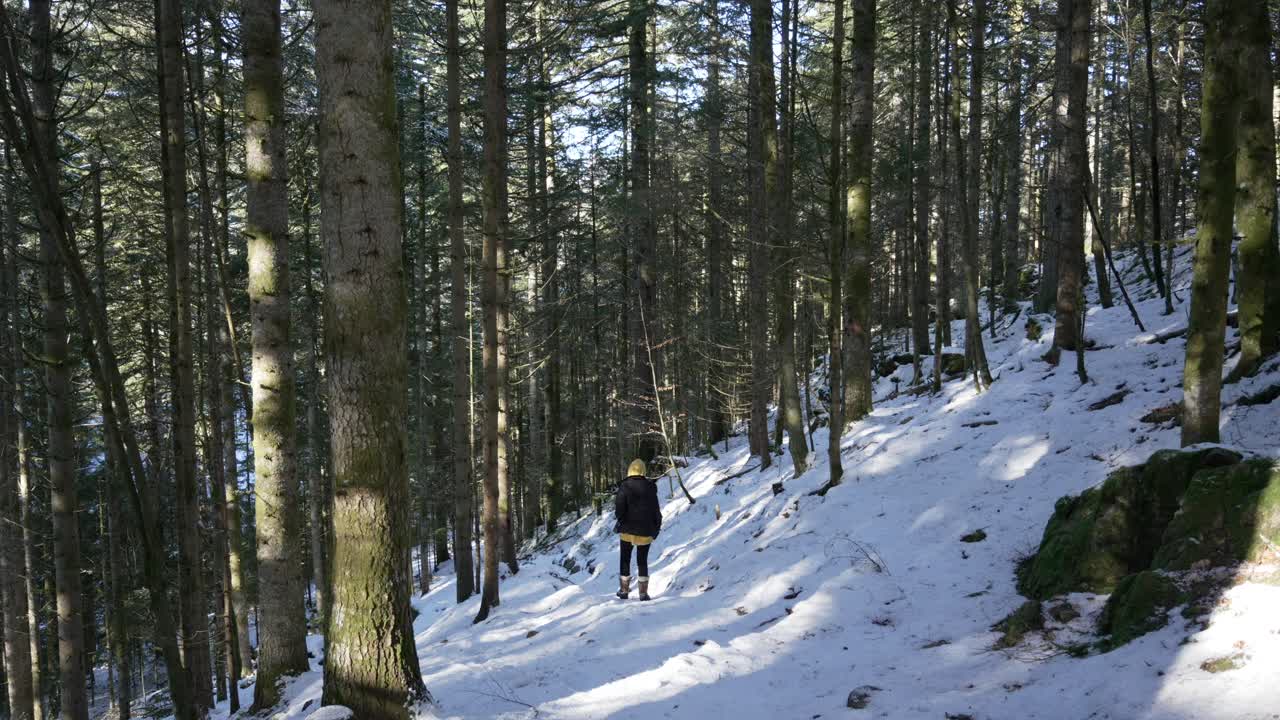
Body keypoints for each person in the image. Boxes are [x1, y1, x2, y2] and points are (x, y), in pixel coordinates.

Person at [615, 458, 662, 600]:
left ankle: (624, 591)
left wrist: (622, 521)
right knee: (642, 561)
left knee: (625, 559)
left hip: (627, 531)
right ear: (643, 471)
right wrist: (656, 528)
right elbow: (656, 510)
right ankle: (643, 593)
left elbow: (619, 509)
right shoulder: (650, 487)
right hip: (645, 531)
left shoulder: (624, 486)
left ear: (630, 470)